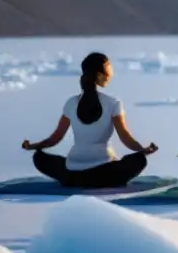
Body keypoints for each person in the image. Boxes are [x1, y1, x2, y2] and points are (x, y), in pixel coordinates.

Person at [21, 52, 158, 188]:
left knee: (39, 157)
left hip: (72, 175)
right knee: (139, 160)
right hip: (105, 174)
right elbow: (125, 137)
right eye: (109, 68)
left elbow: (55, 138)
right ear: (99, 75)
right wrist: (142, 150)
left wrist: (34, 147)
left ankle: (75, 179)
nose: (112, 73)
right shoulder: (113, 103)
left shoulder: (71, 103)